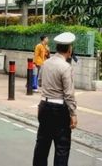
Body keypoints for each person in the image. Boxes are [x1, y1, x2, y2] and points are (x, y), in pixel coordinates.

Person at [33, 32, 77, 166]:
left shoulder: (46, 63)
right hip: (59, 109)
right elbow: (69, 94)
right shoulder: (66, 67)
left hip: (44, 106)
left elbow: (40, 82)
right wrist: (73, 113)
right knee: (62, 147)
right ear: (69, 49)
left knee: (42, 144)